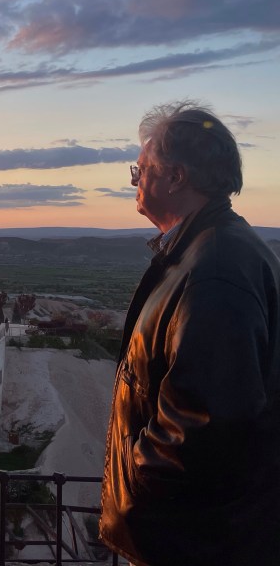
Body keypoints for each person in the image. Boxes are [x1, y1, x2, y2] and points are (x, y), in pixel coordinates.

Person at [100, 101, 280, 566]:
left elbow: (206, 423)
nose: (135, 182)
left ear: (175, 177)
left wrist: (134, 482)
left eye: (140, 171)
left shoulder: (215, 269)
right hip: (205, 533)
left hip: (197, 540)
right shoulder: (211, 250)